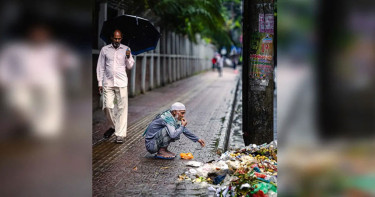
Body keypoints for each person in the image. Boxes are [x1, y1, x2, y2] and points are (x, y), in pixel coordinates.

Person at [96, 29, 135, 144]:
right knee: (107, 106)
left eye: (119, 39)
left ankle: (120, 135)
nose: (117, 41)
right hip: (108, 82)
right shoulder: (105, 50)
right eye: (115, 38)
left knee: (122, 108)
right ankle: (113, 127)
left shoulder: (126, 49)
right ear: (111, 38)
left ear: (121, 38)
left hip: (122, 82)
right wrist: (99, 82)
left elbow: (130, 66)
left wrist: (128, 57)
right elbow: (100, 67)